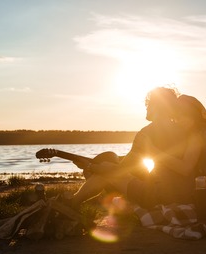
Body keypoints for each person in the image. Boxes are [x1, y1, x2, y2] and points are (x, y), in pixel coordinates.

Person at [66, 87, 195, 211]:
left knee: (107, 174)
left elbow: (120, 170)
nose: (146, 107)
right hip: (186, 194)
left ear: (156, 106)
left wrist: (90, 167)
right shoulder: (185, 130)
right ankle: (71, 203)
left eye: (148, 104)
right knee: (131, 169)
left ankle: (71, 203)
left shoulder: (146, 134)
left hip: (159, 196)